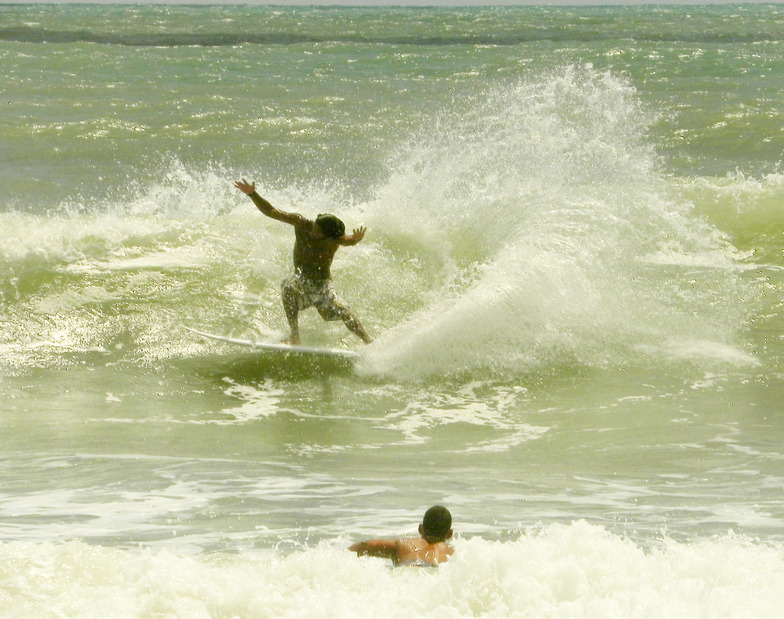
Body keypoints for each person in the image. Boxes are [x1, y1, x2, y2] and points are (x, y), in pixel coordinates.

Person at [234, 179, 372, 345]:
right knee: (288, 286)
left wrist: (356, 239)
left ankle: (369, 342)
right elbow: (271, 211)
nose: (313, 228)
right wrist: (252, 194)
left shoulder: (333, 239)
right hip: (302, 281)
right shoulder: (301, 224)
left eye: (317, 230)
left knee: (340, 311)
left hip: (322, 284)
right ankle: (295, 336)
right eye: (315, 224)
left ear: (327, 235)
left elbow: (347, 241)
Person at [349, 506, 454, 567]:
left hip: (407, 571)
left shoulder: (402, 544)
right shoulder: (452, 552)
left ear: (420, 529)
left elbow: (365, 545)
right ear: (449, 534)